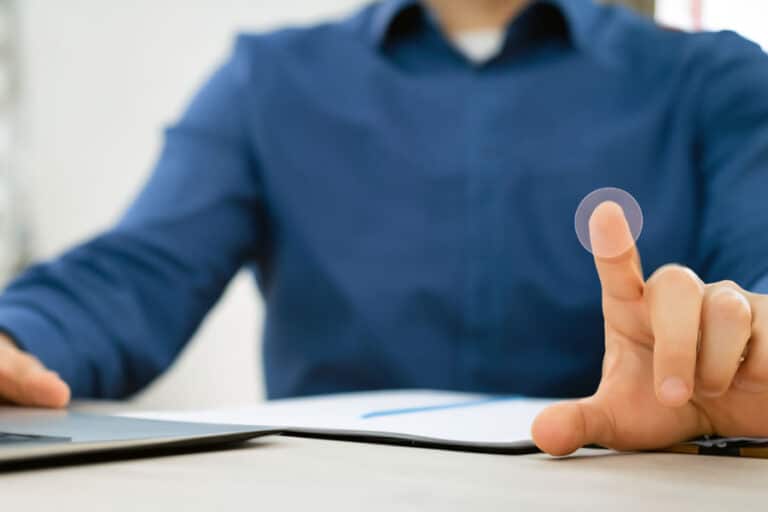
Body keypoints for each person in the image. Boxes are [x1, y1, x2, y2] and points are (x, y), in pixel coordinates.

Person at [0, 0, 767, 456]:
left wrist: (746, 356)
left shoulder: (714, 79)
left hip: (634, 486)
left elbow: (758, 283)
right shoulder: (267, 79)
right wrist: (16, 341)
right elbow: (140, 269)